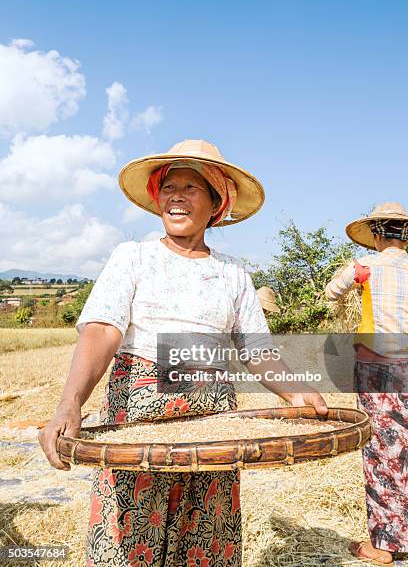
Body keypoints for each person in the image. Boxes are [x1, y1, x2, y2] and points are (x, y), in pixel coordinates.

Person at [39, 139, 327, 566]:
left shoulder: (231, 273)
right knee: (131, 537)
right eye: (169, 186)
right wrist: (70, 403)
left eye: (191, 188)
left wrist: (296, 392)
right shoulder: (133, 257)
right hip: (141, 419)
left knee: (206, 537)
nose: (176, 195)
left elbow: (255, 348)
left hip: (214, 425)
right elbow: (102, 330)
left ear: (216, 204)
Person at [325, 202, 408, 565]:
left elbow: (330, 293)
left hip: (380, 367)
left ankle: (385, 543)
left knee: (382, 451)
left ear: (376, 234)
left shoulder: (363, 268)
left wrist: (356, 286)